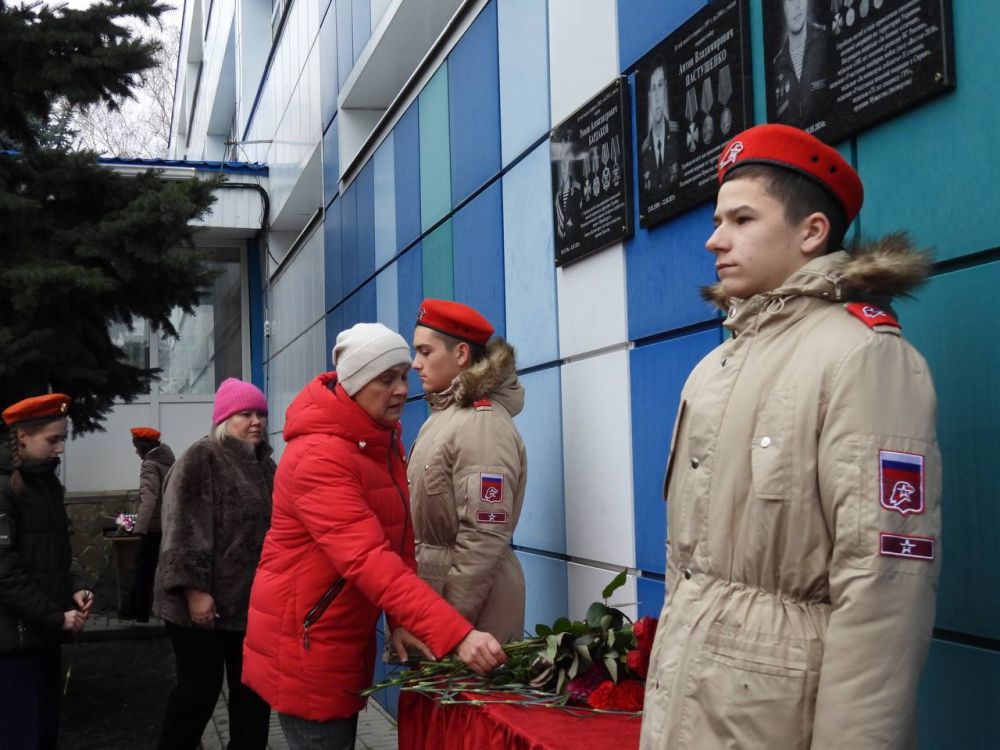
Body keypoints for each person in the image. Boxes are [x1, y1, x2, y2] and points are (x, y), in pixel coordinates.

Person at [639, 123, 941, 749]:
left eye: (742, 219)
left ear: (811, 232)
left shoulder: (862, 356)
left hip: (780, 720)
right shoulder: (715, 366)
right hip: (692, 703)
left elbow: (886, 581)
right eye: (719, 219)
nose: (714, 239)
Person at [242, 323, 505, 750]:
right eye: (386, 378)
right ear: (354, 382)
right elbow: (369, 559)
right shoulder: (319, 455)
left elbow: (398, 542)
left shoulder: (374, 440)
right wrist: (455, 634)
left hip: (336, 635)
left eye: (403, 374)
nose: (402, 388)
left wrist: (400, 620)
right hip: (306, 644)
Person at [153, 378, 274, 750]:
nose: (255, 421)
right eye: (245, 414)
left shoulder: (265, 464)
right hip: (199, 607)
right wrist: (195, 591)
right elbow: (182, 528)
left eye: (261, 414)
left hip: (249, 606)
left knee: (254, 695)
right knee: (198, 694)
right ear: (224, 418)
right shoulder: (200, 457)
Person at [409, 300, 527, 644]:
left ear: (461, 354)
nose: (415, 363)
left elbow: (482, 538)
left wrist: (449, 626)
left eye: (425, 351)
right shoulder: (447, 416)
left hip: (471, 616)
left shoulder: (481, 424)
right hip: (443, 600)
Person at [0, 393, 93, 749]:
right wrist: (57, 618)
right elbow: (5, 573)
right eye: (52, 440)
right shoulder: (4, 487)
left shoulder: (46, 483)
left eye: (63, 439)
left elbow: (49, 558)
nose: (61, 449)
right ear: (22, 436)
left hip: (42, 636)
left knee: (42, 735)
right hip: (13, 644)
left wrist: (75, 587)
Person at [125, 426, 174, 623]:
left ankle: (140, 612)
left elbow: (149, 499)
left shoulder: (149, 465)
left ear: (143, 447)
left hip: (153, 528)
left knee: (143, 569)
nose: (136, 451)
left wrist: (139, 527)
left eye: (137, 447)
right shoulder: (170, 462)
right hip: (169, 525)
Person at [772, 0, 833, 125]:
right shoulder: (777, 66)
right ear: (784, 7)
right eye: (791, 1)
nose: (797, 6)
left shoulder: (824, 41)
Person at [639, 56, 679, 202]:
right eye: (653, 89)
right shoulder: (643, 152)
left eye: (660, 85)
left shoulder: (677, 135)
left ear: (666, 88)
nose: (657, 97)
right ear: (649, 95)